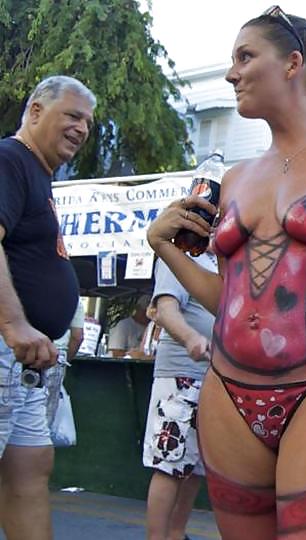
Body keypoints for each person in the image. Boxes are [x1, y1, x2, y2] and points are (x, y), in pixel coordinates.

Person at [147, 7, 306, 539]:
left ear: (293, 63)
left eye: (245, 57)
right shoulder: (236, 177)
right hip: (226, 392)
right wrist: (161, 245)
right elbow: (230, 301)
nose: (230, 73)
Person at [0, 75, 95, 540]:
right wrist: (14, 324)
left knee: (30, 471)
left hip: (28, 363)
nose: (82, 129)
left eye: (88, 123)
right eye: (73, 116)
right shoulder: (9, 159)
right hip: (6, 347)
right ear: (35, 111)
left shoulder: (39, 175)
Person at [144, 253, 216, 540]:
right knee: (169, 462)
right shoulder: (180, 256)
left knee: (195, 464)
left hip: (214, 375)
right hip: (182, 372)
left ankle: (176, 534)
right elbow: (165, 309)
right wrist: (190, 338)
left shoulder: (217, 261)